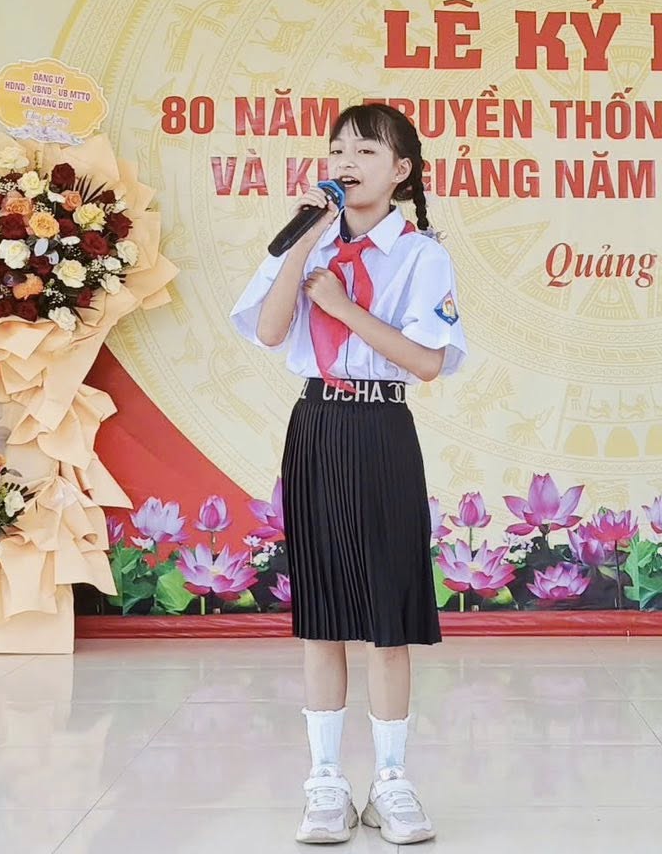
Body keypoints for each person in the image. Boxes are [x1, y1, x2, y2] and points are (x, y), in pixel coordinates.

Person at [230, 103, 465, 845]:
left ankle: (392, 781)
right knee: (323, 615)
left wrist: (341, 305)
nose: (345, 161)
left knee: (387, 618)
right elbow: (271, 330)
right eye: (337, 150)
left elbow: (427, 362)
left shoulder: (421, 256)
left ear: (401, 171)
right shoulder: (307, 240)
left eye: (365, 150)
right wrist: (306, 242)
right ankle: (325, 780)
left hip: (383, 426)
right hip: (318, 426)